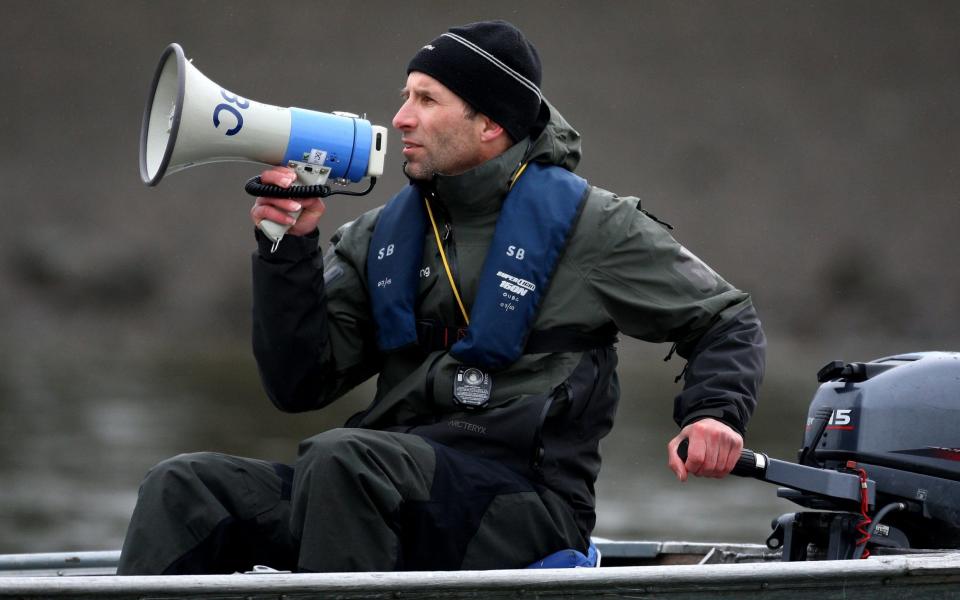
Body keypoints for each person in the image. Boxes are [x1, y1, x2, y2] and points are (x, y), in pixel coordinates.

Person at [117, 20, 764, 575]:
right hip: (379, 483)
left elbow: (726, 318)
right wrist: (285, 249)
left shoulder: (596, 227)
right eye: (405, 96)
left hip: (526, 503)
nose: (400, 117)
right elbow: (297, 385)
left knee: (345, 462)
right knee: (183, 486)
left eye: (426, 99)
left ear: (490, 125)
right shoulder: (377, 237)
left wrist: (713, 415)